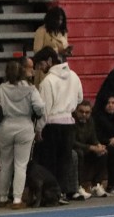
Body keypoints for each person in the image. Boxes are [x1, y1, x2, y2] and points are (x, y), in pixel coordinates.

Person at [0, 59, 45, 209]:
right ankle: (17, 199)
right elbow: (40, 107)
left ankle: (3, 197)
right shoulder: (31, 89)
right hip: (25, 126)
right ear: (23, 73)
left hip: (6, 126)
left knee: (5, 164)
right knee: (21, 165)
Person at [35, 47, 84, 201]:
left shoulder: (47, 81)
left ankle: (52, 194)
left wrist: (38, 129)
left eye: (41, 64)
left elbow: (45, 109)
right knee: (65, 161)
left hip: (52, 125)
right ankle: (62, 192)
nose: (40, 68)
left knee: (51, 162)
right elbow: (80, 98)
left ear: (50, 60)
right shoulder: (74, 76)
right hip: (69, 124)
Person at [72, 101, 112, 198]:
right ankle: (78, 186)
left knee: (103, 153)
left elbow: (93, 138)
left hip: (86, 148)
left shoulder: (90, 121)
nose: (84, 114)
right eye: (81, 111)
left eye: (87, 112)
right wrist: (91, 147)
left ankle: (96, 185)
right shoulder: (71, 121)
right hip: (74, 148)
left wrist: (98, 145)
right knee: (79, 154)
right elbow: (72, 142)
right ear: (76, 111)